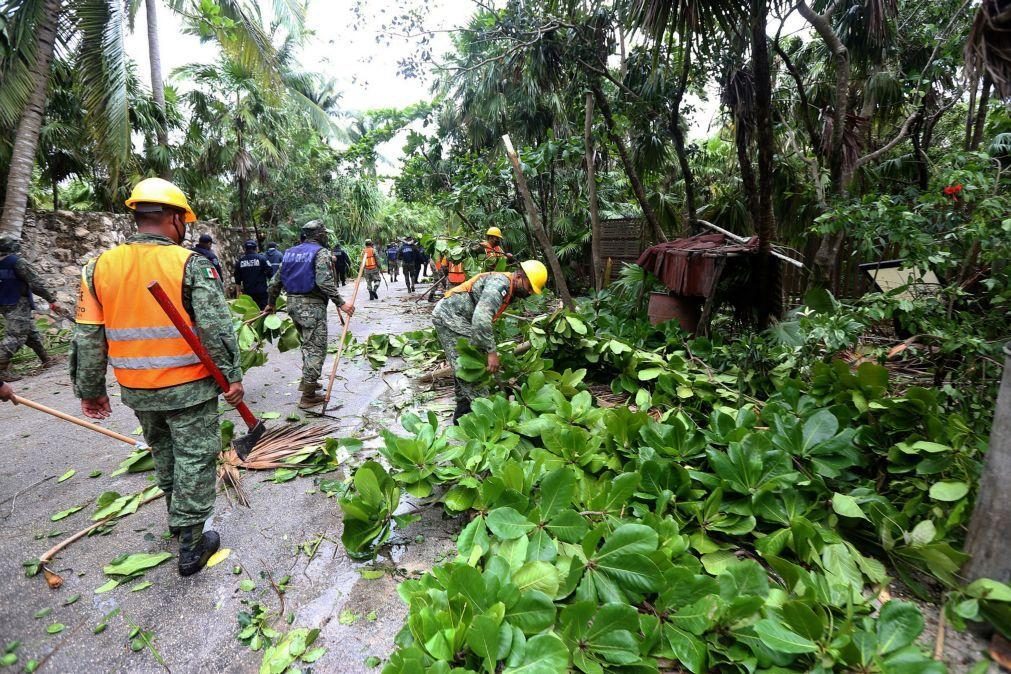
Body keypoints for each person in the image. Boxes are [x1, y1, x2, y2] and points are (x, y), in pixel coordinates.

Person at [71, 177, 243, 577]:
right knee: (196, 459)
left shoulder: (97, 267)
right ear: (173, 218)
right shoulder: (190, 264)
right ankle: (192, 544)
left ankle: (176, 519)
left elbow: (87, 337)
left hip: (138, 390)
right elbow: (216, 330)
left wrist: (91, 390)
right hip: (189, 388)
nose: (185, 227)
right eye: (184, 219)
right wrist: (232, 376)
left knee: (164, 453)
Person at [432, 260, 547, 423]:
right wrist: (491, 352)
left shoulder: (510, 289)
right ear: (520, 276)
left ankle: (462, 415)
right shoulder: (500, 285)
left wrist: (487, 348)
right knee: (469, 370)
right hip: (451, 318)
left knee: (465, 367)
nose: (529, 293)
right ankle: (490, 420)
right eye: (529, 287)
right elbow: (481, 319)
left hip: (463, 321)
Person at [266, 220, 354, 408]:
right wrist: (342, 303)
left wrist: (270, 304)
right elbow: (323, 281)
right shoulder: (320, 253)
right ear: (319, 235)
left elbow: (275, 282)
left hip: (293, 305)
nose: (327, 236)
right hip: (311, 307)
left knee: (307, 344)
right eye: (325, 233)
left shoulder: (290, 253)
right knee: (316, 348)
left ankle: (308, 382)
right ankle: (308, 396)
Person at [0, 234, 62, 381]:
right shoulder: (17, 262)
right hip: (17, 303)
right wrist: (52, 299)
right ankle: (1, 368)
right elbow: (36, 282)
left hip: (4, 303)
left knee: (29, 331)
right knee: (15, 336)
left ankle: (46, 359)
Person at [233, 240, 272, 309]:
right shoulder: (262, 259)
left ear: (244, 249)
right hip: (262, 291)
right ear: (256, 248)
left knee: (252, 311)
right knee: (264, 311)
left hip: (248, 292)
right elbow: (270, 273)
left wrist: (238, 293)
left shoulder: (240, 262)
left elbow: (237, 279)